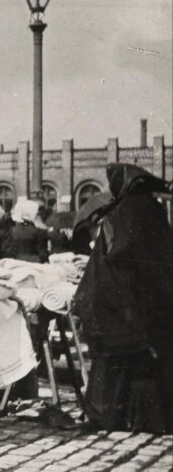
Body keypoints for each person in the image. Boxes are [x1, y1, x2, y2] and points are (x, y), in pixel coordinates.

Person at [75, 163, 173, 434]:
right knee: (149, 359)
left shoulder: (119, 214)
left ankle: (110, 417)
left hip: (119, 297)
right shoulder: (153, 209)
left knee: (113, 362)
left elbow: (117, 253)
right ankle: (151, 420)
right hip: (152, 297)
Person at [10, 199, 49, 263]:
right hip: (34, 263)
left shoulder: (11, 230)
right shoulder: (38, 231)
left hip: (15, 264)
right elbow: (43, 252)